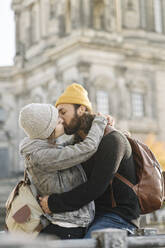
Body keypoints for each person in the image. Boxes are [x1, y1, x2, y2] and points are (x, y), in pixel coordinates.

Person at [39, 83, 141, 238]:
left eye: (63, 112)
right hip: (89, 216)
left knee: (90, 243)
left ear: (81, 109)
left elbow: (95, 187)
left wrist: (53, 204)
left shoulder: (112, 139)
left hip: (118, 217)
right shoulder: (77, 145)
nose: (59, 119)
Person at [19, 103, 108, 239]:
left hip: (66, 225)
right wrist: (100, 123)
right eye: (57, 121)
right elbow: (87, 148)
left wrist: (80, 128)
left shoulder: (41, 148)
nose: (62, 119)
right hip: (67, 227)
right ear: (46, 130)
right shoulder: (42, 156)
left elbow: (65, 150)